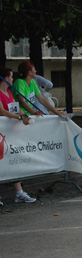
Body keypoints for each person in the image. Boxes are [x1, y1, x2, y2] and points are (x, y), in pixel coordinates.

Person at [0, 67, 36, 205]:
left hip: (9, 133)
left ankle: (19, 193)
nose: (12, 79)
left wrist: (24, 115)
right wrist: (19, 117)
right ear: (4, 78)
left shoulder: (8, 92)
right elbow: (2, 111)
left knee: (11, 161)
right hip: (2, 133)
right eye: (10, 77)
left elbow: (14, 108)